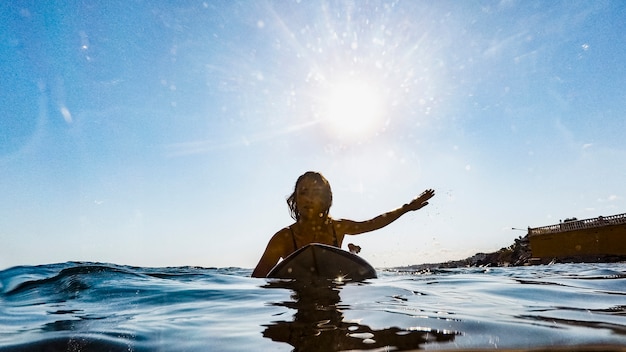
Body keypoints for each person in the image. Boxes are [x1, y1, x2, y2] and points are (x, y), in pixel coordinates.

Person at [251, 171, 435, 278]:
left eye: (315, 192)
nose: (308, 198)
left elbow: (373, 223)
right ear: (295, 199)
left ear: (325, 198)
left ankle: (352, 251)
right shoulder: (282, 238)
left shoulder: (337, 227)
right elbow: (258, 280)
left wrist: (407, 207)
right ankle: (352, 250)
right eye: (303, 192)